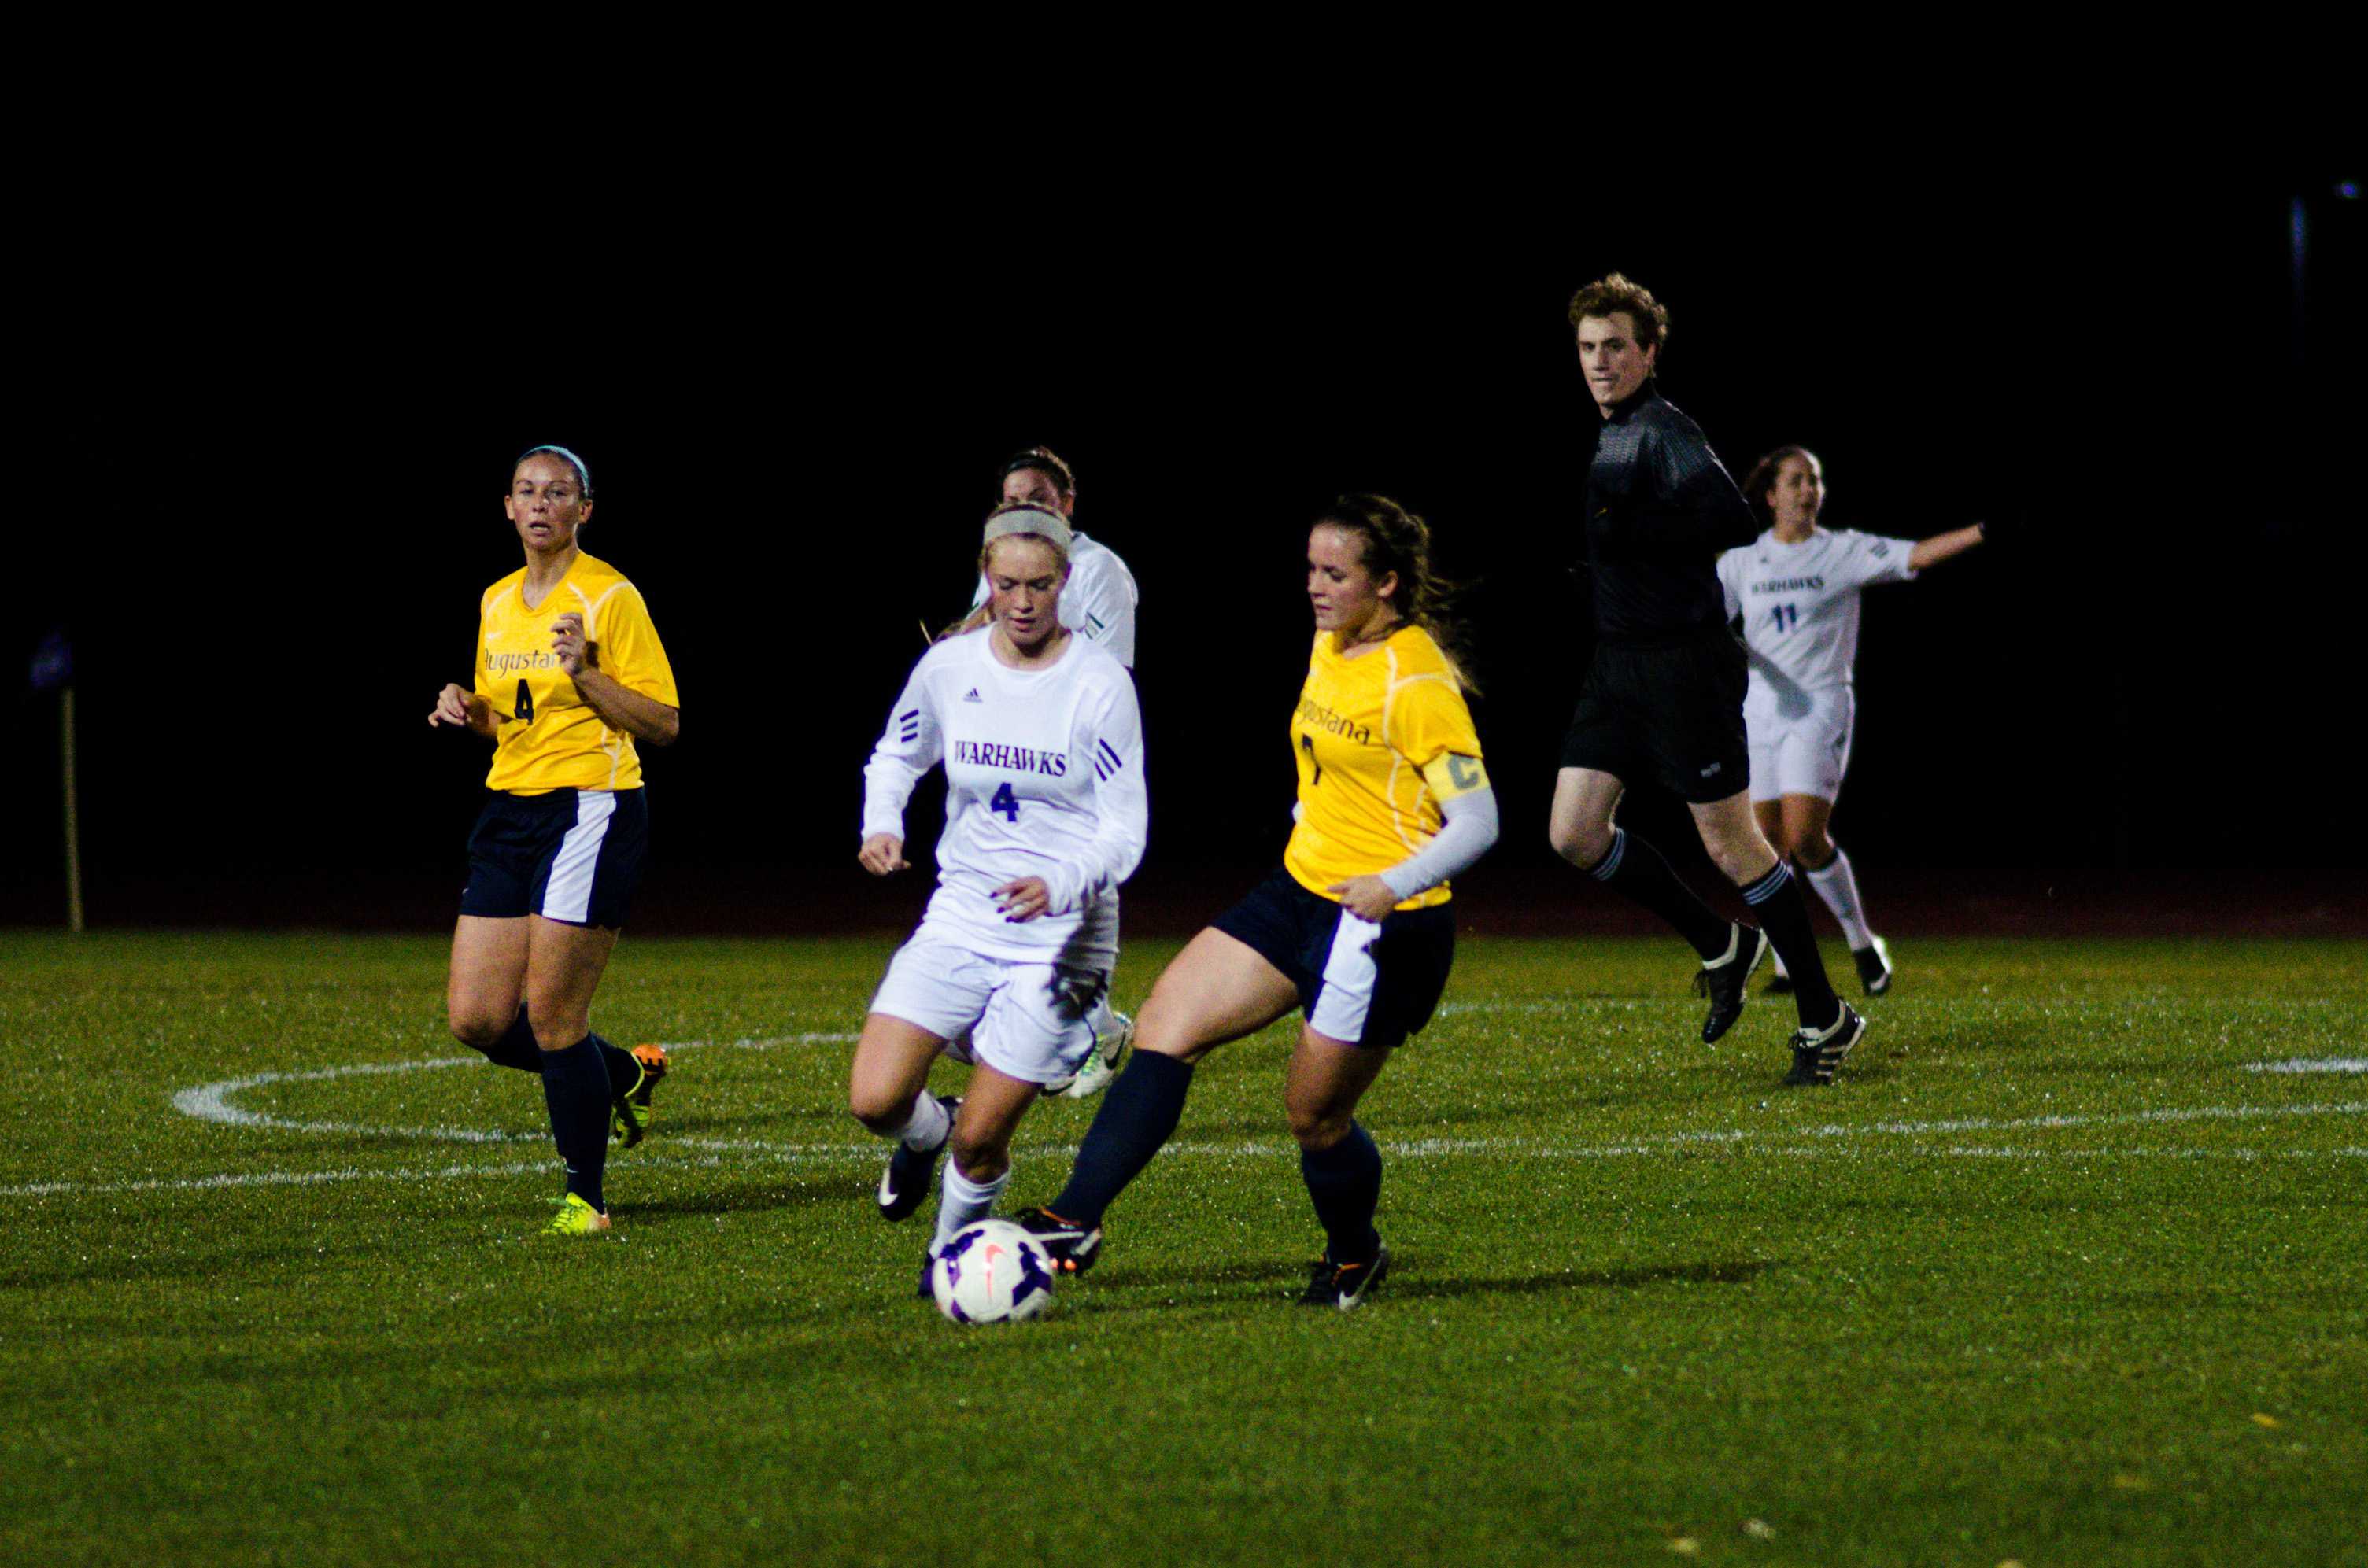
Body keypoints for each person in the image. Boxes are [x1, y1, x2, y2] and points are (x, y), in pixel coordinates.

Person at [1015, 495, 1498, 1310]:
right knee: (1167, 1024)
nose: (1315, 586)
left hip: (1384, 925)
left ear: (1385, 584)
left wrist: (1392, 882)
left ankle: (1355, 1255)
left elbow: (1480, 819)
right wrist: (1313, 808)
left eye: (1334, 574)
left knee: (1314, 1118)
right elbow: (1335, 753)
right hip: (1298, 890)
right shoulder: (1331, 639)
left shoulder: (1415, 681)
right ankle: (1074, 1219)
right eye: (1311, 568)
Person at [1544, 274, 1867, 1088]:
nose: (1599, 361)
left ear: (1649, 352)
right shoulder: (1614, 432)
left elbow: (1726, 517)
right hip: (1619, 662)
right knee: (1573, 833)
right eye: (1587, 348)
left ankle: (1825, 1013)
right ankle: (1724, 943)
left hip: (1685, 666)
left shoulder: (1660, 428)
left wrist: (1634, 533)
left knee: (1733, 845)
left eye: (1616, 345)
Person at [853, 499, 1148, 1294]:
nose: (1022, 602)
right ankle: (925, 1132)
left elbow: (1127, 830)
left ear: (1065, 583)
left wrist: (1059, 880)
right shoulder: (950, 667)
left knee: (983, 1139)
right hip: (961, 912)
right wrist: (882, 823)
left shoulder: (1099, 684)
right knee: (875, 1096)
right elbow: (896, 755)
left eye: (1041, 586)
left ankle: (947, 1261)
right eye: (1008, 583)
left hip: (1066, 937)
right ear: (986, 577)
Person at [428, 445, 682, 1236]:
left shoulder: (610, 596)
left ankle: (587, 1199)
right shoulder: (497, 600)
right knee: (476, 1018)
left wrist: (588, 675)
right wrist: (472, 714)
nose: (542, 504)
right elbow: (512, 718)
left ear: (584, 510)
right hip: (510, 812)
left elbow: (665, 723)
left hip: (591, 808)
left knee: (553, 1017)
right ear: (507, 506)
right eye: (528, 491)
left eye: (559, 492)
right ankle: (620, 1075)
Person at [1719, 445, 1987, 996]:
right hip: (1761, 708)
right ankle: (1789, 966)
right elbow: (1707, 625)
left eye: (1814, 480)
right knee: (1766, 843)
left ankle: (1863, 942)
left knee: (1804, 835)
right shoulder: (1740, 563)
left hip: (1818, 705)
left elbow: (1914, 555)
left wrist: (1981, 530)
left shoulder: (1840, 551)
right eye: (1795, 481)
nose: (1807, 490)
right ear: (1770, 496)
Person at [955, 446, 1141, 1100]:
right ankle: (1086, 1025)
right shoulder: (1000, 568)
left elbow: (1108, 666)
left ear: (1066, 504)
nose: (1020, 509)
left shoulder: (1099, 571)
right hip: (1006, 753)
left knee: (1060, 888)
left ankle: (1091, 1029)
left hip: (1069, 753)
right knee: (1004, 890)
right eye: (1009, 499)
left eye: (1034, 496)